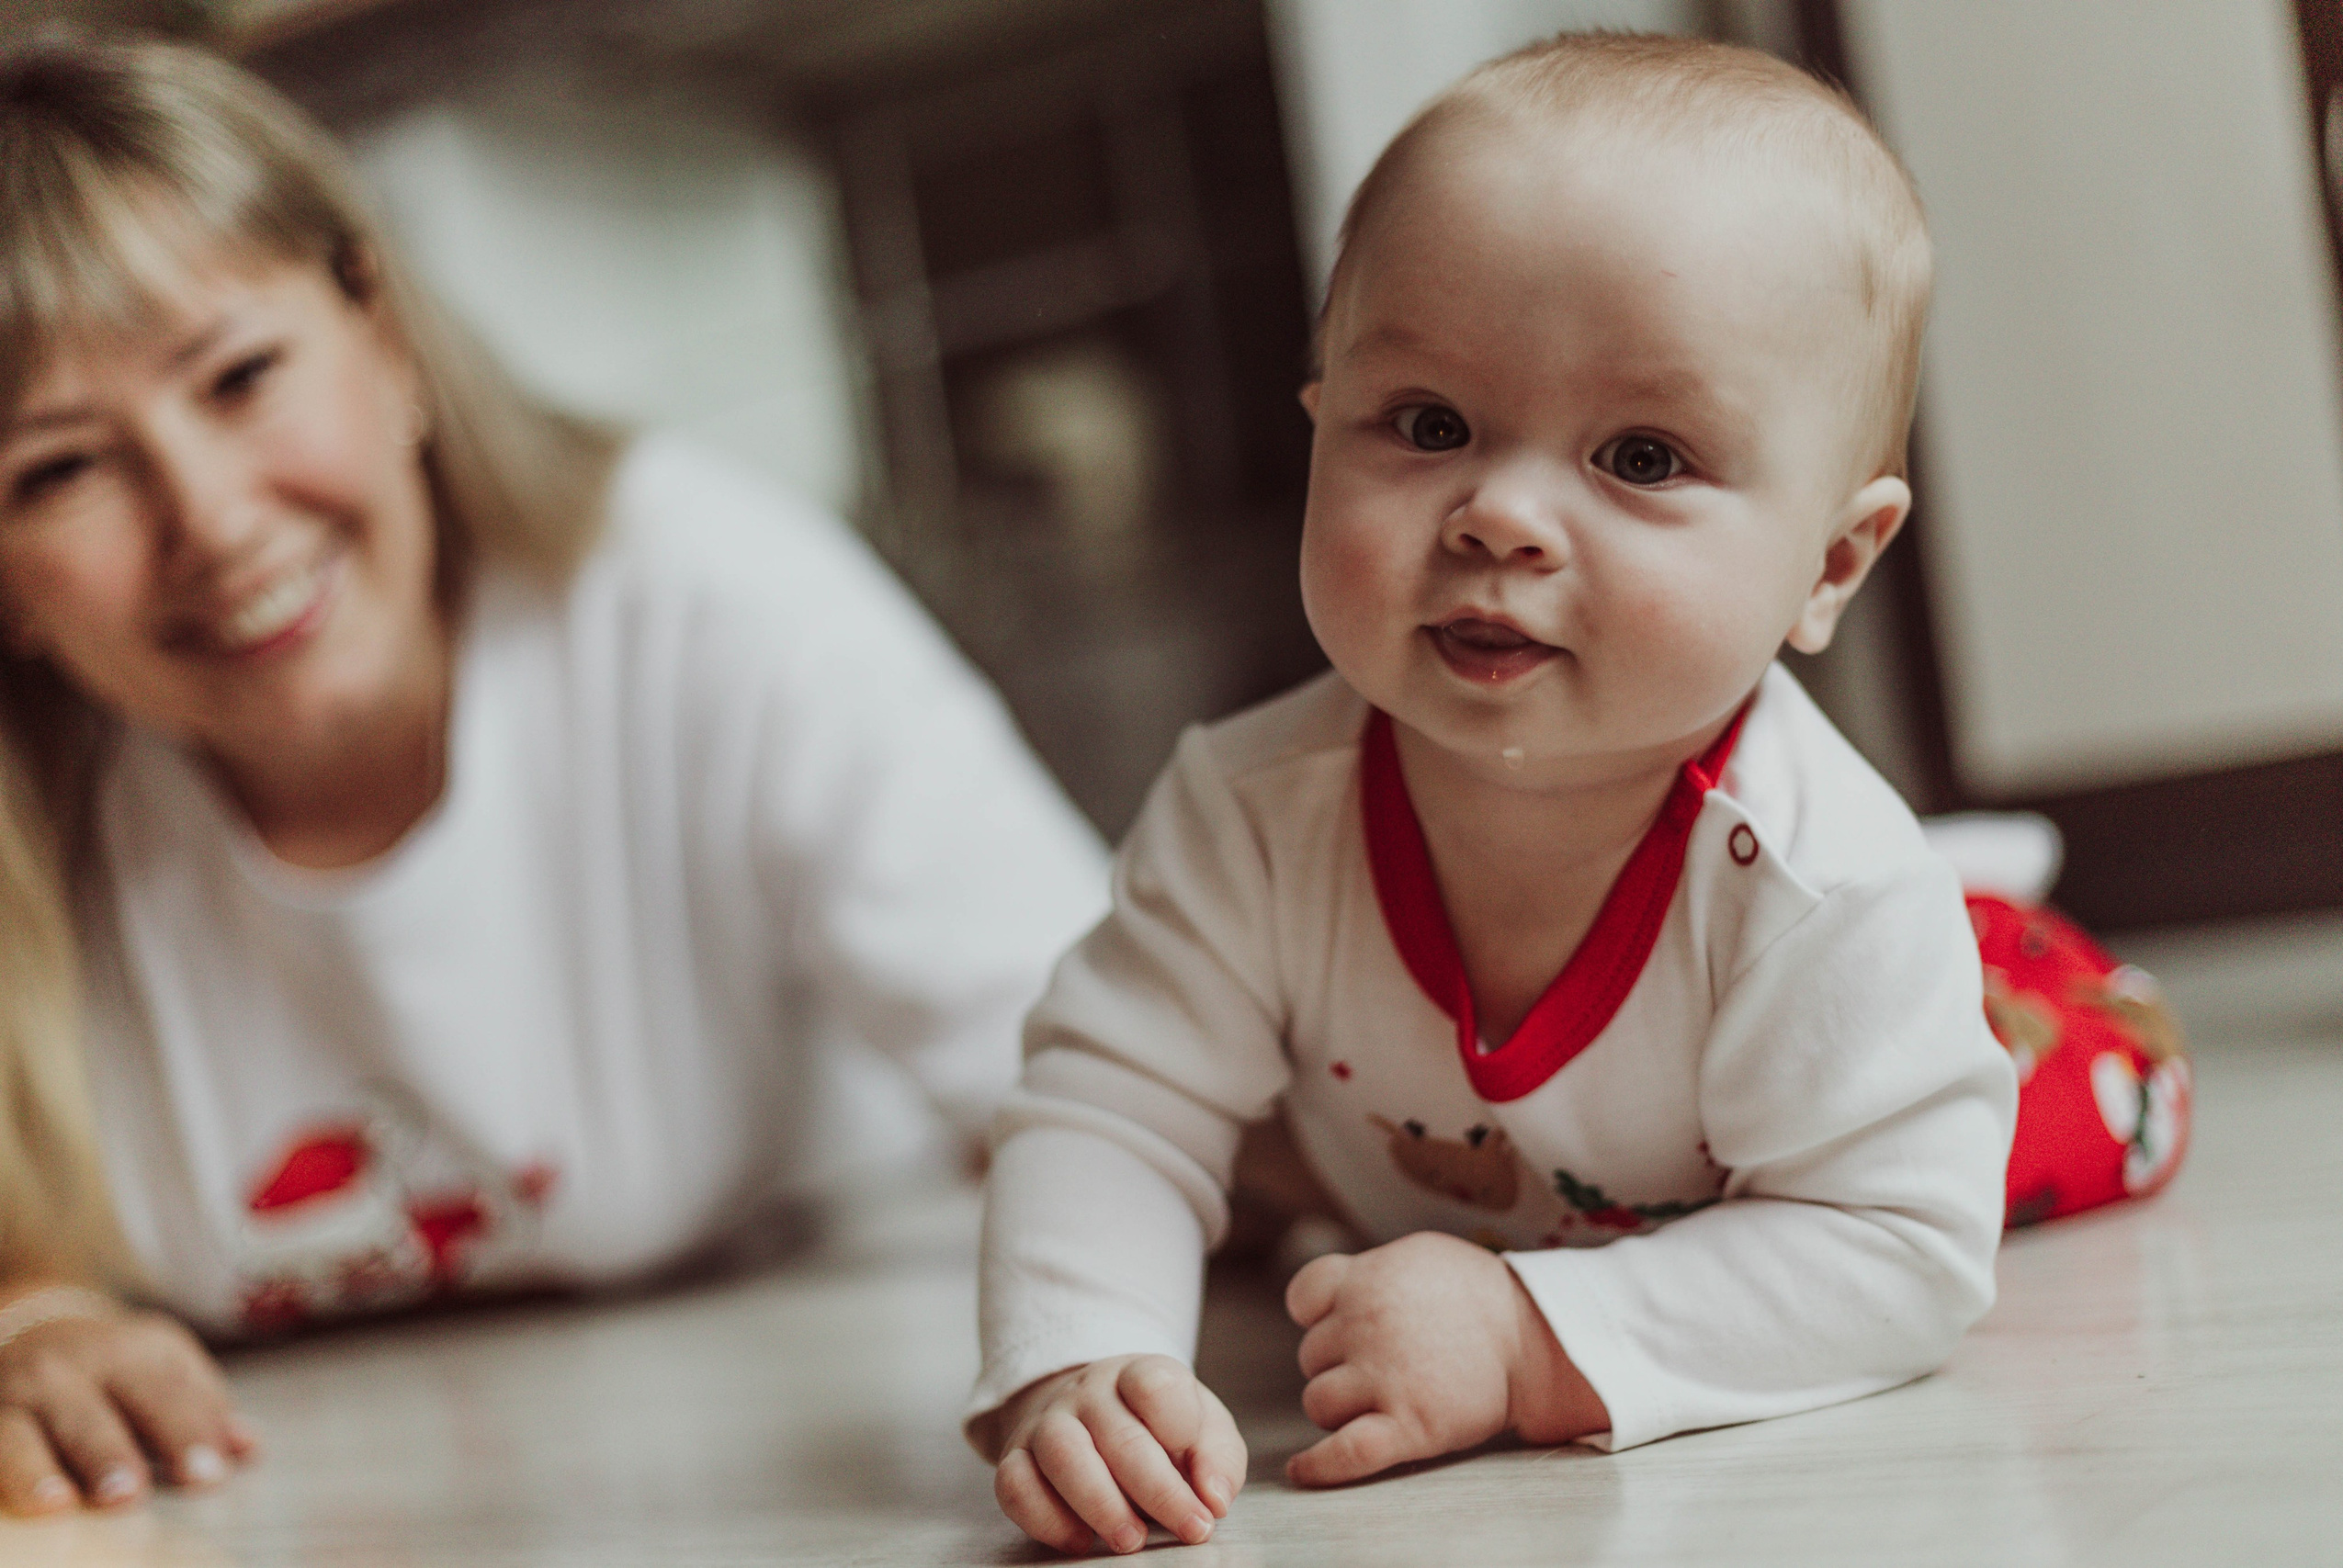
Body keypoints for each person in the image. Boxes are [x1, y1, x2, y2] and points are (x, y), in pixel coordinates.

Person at [0, 31, 1107, 1516]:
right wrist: (34, 1325)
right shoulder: (36, 813)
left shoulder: (704, 598)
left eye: (242, 375)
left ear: (380, 334)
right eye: (58, 468)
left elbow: (1124, 1084)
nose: (207, 518)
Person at [969, 33, 2023, 1555]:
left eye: (1641, 456)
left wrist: (1528, 1339)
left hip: (1827, 1089)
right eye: (1430, 425)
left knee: (2061, 1080)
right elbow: (1106, 1105)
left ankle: (2001, 922)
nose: (1503, 516)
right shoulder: (1248, 811)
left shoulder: (1824, 884)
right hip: (1443, 1161)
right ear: (1319, 416)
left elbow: (1901, 1249)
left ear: (1832, 563)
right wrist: (1079, 1360)